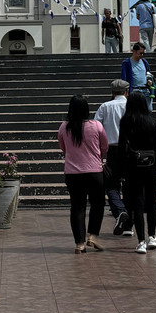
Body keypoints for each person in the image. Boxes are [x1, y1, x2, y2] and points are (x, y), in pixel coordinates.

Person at [117, 91, 156, 253]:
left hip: (133, 165)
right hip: (151, 165)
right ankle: (152, 236)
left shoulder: (126, 121)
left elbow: (122, 146)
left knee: (137, 203)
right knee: (151, 201)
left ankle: (140, 241)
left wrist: (121, 170)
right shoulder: (152, 122)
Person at [58, 94, 108, 254]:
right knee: (98, 204)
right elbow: (104, 147)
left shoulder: (64, 127)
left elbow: (63, 147)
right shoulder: (96, 125)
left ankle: (79, 243)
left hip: (73, 173)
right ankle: (92, 235)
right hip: (94, 171)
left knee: (77, 207)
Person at [94, 79, 132, 236]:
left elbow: (96, 127)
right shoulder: (131, 106)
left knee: (111, 184)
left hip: (111, 150)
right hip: (130, 150)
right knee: (130, 185)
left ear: (112, 92)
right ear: (126, 92)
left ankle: (120, 212)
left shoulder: (105, 107)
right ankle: (129, 226)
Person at [120, 42, 153, 111]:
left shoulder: (144, 62)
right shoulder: (126, 63)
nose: (142, 55)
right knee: (135, 111)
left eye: (143, 53)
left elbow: (149, 74)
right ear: (134, 51)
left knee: (149, 110)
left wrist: (149, 80)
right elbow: (124, 78)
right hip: (134, 90)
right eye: (140, 53)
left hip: (145, 90)